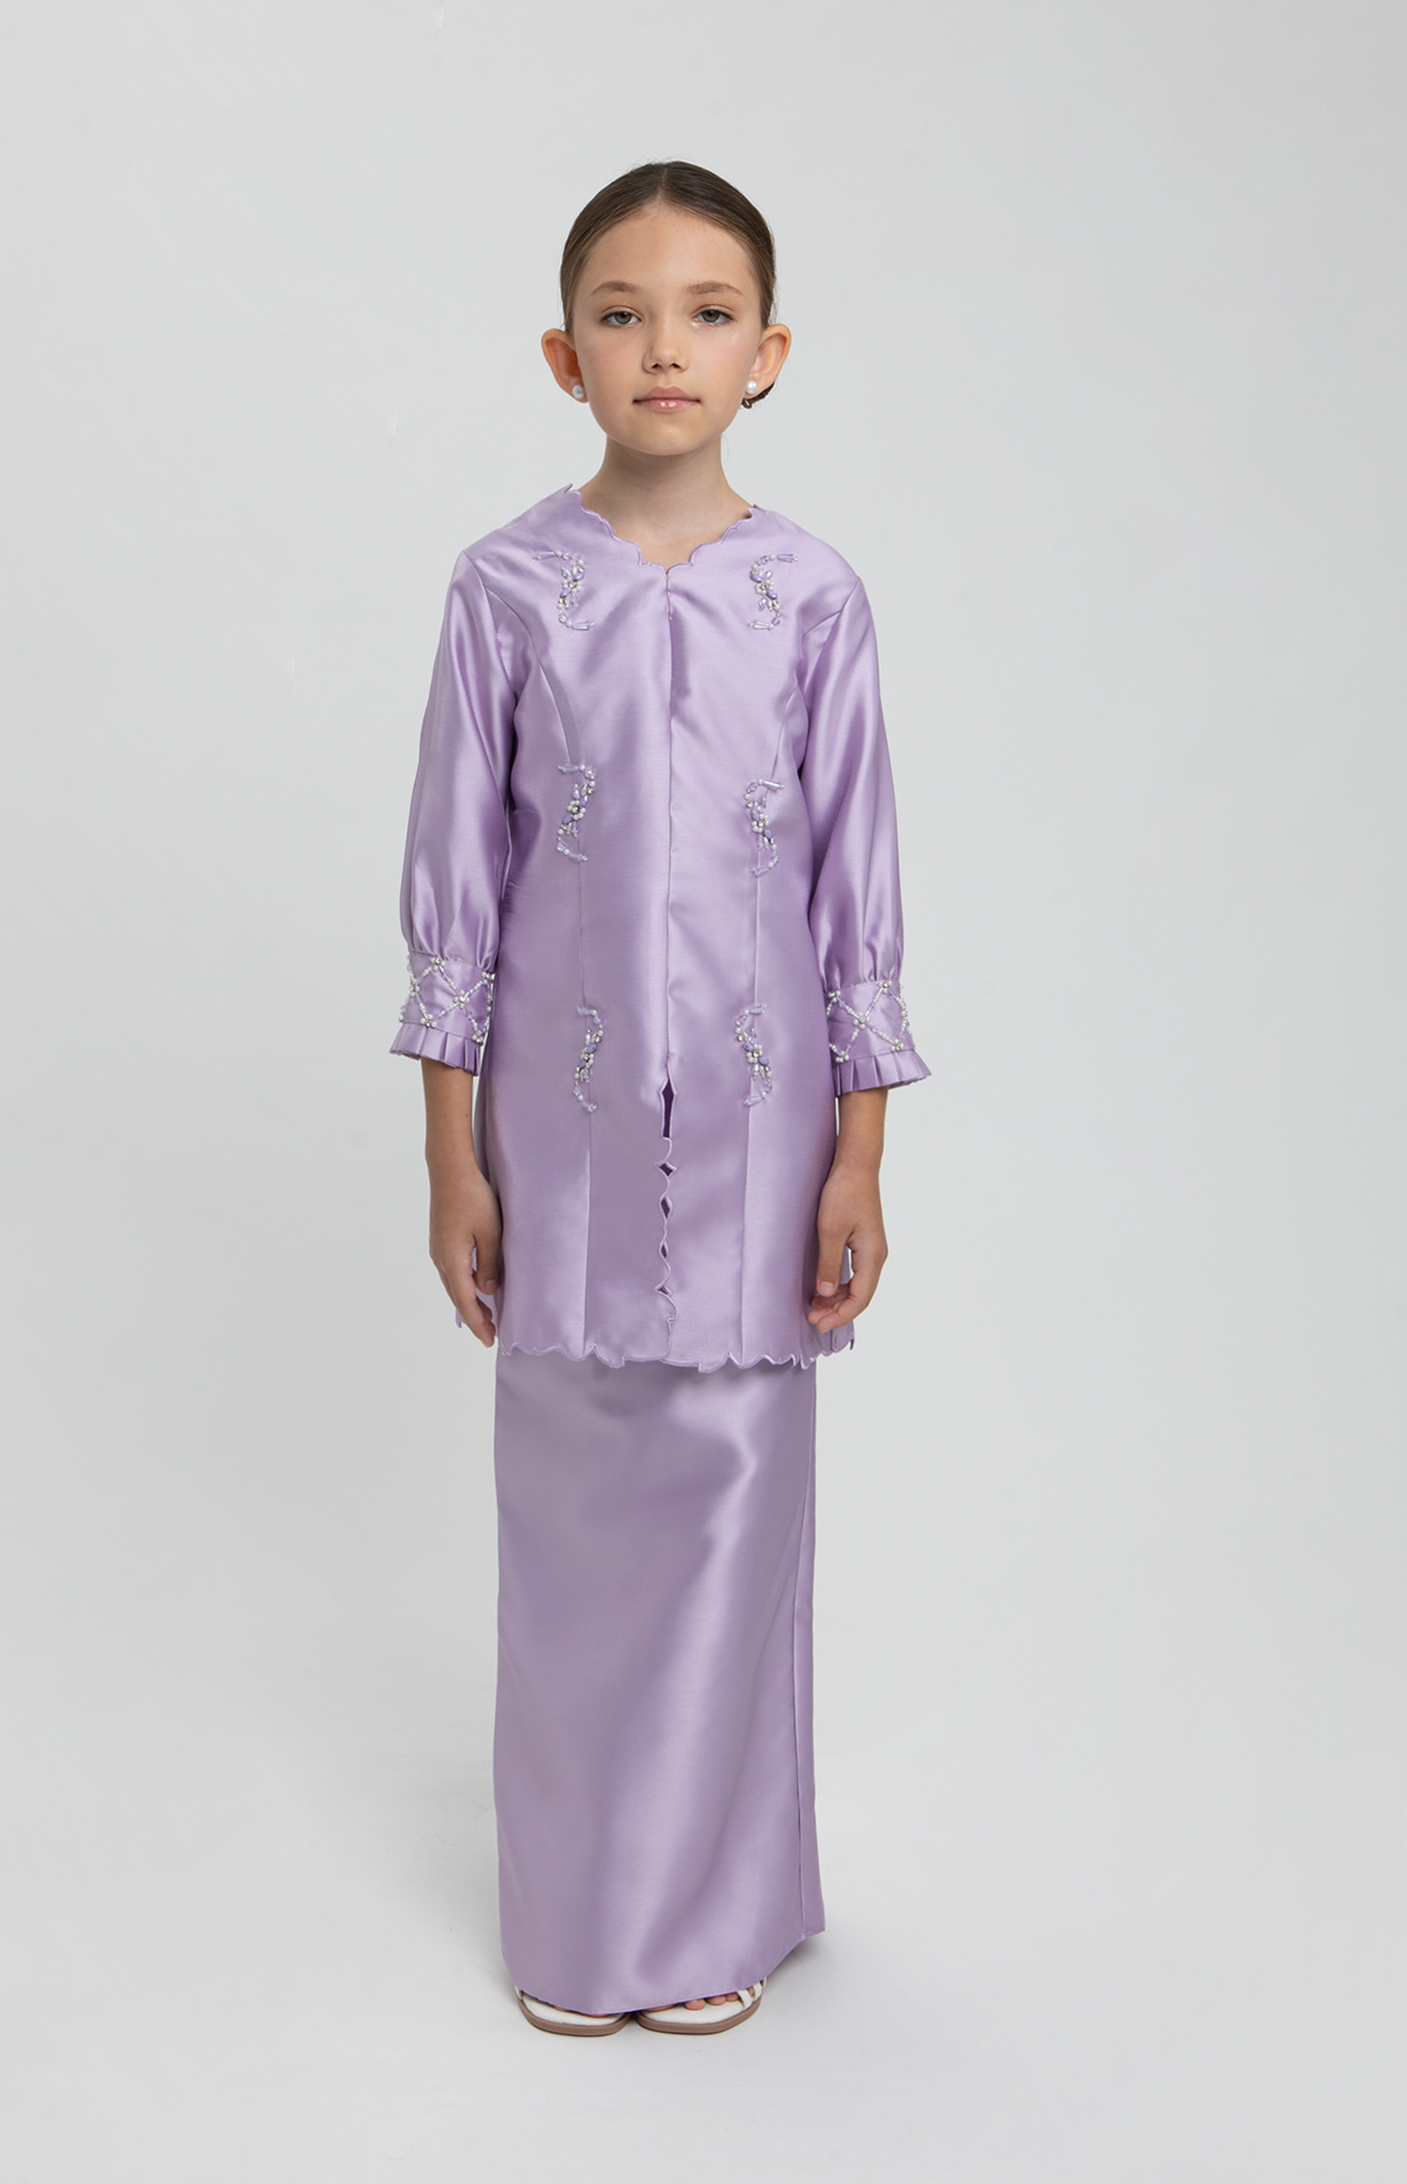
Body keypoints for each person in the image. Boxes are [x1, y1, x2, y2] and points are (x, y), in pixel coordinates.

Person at [392, 161, 928, 2038]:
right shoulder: (507, 589)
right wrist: (451, 1157)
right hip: (562, 1143)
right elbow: (457, 891)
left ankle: (717, 1914)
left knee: (734, 1518)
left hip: (771, 1143)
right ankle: (582, 1920)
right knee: (571, 1533)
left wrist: (861, 1154)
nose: (664, 347)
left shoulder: (814, 598)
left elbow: (858, 895)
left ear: (768, 352)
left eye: (708, 313)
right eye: (621, 313)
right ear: (565, 355)